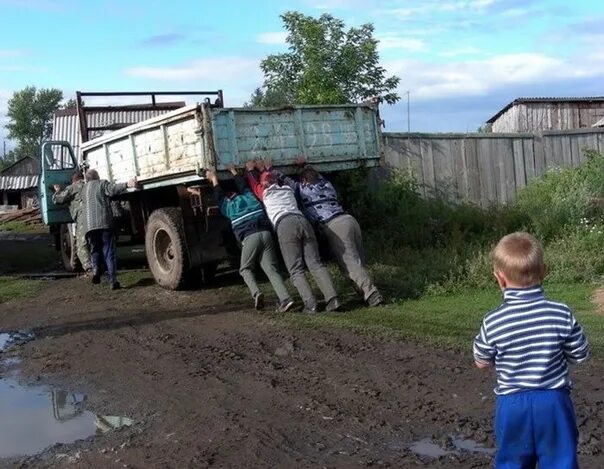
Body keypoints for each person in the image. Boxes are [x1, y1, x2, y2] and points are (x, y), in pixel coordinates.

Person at [473, 232, 590, 468]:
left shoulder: (494, 320)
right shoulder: (561, 313)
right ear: (545, 271)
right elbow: (581, 354)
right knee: (560, 461)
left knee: (512, 462)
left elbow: (482, 361)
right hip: (554, 403)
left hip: (512, 405)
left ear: (500, 279)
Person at [245, 160, 341, 313]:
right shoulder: (288, 189)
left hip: (285, 225)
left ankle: (311, 304)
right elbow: (275, 177)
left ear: (264, 184)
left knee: (295, 269)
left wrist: (251, 170)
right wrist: (269, 168)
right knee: (315, 263)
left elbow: (253, 181)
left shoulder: (264, 193)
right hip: (303, 221)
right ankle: (333, 299)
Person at [285, 158, 383, 307]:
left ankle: (372, 294)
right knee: (357, 261)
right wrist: (305, 165)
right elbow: (314, 173)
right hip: (350, 220)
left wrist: (266, 169)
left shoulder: (302, 189)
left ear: (304, 180)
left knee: (350, 264)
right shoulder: (326, 184)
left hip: (334, 226)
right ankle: (364, 294)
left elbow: (284, 180)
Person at [198, 167, 295, 313]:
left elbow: (218, 195)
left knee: (245, 269)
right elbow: (243, 185)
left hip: (250, 237)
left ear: (228, 198)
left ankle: (256, 293)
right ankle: (286, 299)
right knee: (271, 269)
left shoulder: (228, 207)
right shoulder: (249, 197)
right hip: (266, 233)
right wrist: (234, 173)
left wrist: (213, 179)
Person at [83, 169, 137, 290]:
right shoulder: (102, 184)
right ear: (97, 177)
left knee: (94, 249)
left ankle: (96, 270)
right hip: (104, 223)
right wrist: (127, 184)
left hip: (89, 226)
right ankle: (113, 281)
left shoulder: (84, 189)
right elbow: (113, 189)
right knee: (108, 252)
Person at [52, 170, 92, 273]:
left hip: (83, 219)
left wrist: (57, 190)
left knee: (81, 245)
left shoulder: (72, 187)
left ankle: (89, 268)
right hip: (96, 217)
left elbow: (57, 200)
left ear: (73, 180)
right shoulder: (90, 185)